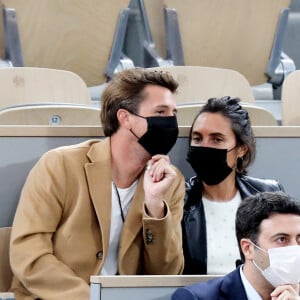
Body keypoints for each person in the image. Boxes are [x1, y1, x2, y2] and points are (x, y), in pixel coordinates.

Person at [9, 68, 185, 299]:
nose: (170, 122)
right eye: (160, 112)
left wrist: (155, 206)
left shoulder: (170, 181)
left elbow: (166, 273)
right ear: (125, 118)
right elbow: (28, 253)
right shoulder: (60, 165)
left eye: (173, 113)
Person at [183, 96, 284, 275]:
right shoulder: (179, 200)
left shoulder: (268, 195)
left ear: (241, 149)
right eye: (197, 138)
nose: (204, 147)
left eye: (216, 139)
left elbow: (286, 261)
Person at [172, 191, 300, 300]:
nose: (295, 248)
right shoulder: (195, 297)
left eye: (299, 239)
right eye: (282, 239)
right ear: (248, 248)